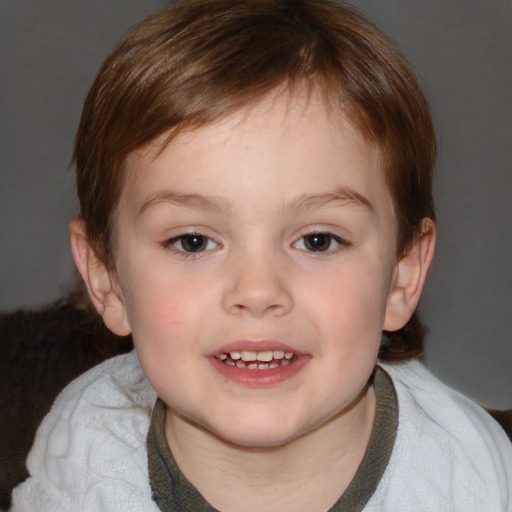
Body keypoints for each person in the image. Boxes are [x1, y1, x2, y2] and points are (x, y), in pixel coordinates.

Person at [11, 0, 512, 510]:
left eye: (318, 240)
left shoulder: (466, 481)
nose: (257, 291)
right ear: (107, 279)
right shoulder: (87, 450)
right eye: (193, 241)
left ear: (402, 276)